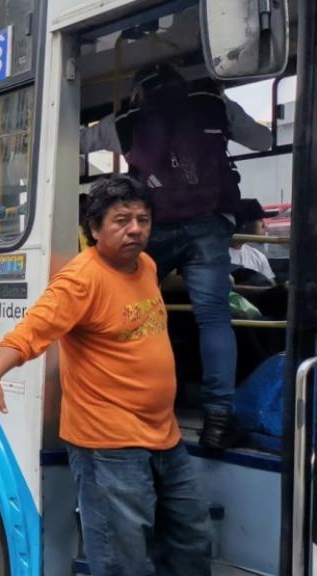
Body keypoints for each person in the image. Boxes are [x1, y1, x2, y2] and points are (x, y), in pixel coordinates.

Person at [0, 176, 244, 576]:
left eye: (142, 219)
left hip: (162, 432)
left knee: (188, 531)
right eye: (121, 220)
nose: (135, 229)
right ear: (95, 228)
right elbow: (33, 330)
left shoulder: (145, 266)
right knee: (122, 540)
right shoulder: (81, 279)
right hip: (107, 439)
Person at [81, 63, 272, 449]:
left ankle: (131, 407)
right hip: (209, 224)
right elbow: (264, 141)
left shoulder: (127, 120)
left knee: (136, 311)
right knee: (214, 318)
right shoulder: (213, 105)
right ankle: (218, 421)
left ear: (139, 91)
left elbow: (75, 142)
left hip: (154, 225)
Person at [229, 198, 276, 285]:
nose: (265, 225)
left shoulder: (258, 257)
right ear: (245, 224)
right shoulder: (215, 256)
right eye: (260, 220)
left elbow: (272, 290)